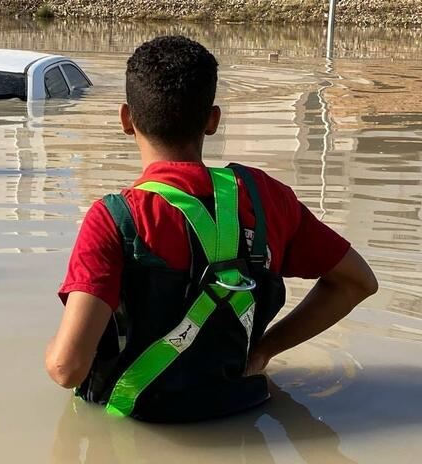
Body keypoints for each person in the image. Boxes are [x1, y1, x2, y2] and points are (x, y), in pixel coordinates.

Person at [45, 36, 378, 422]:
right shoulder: (267, 197)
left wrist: (52, 349)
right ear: (213, 120)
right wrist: (266, 350)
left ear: (125, 119)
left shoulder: (116, 218)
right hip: (240, 409)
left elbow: (67, 369)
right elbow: (358, 282)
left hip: (139, 422)